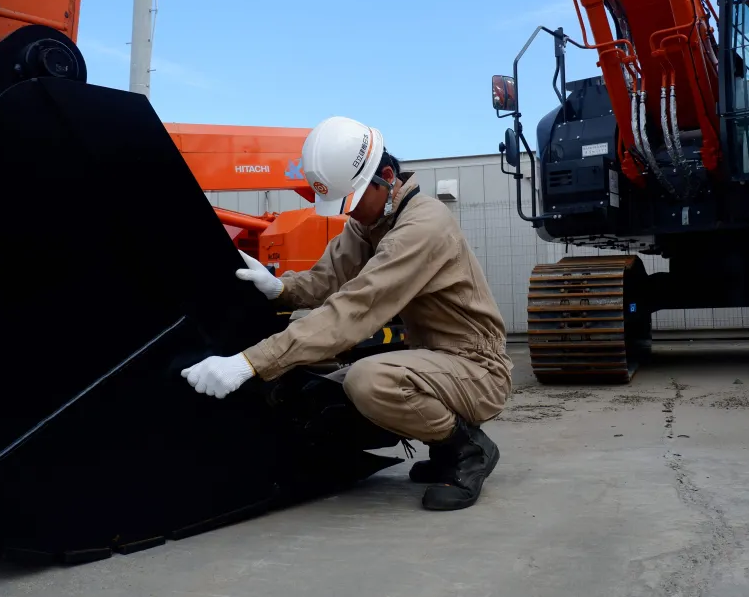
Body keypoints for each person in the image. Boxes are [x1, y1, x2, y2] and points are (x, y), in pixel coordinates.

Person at [181, 115, 513, 511]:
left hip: (477, 367)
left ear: (386, 176)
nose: (349, 213)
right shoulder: (369, 222)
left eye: (353, 202)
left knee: (369, 382)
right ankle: (445, 446)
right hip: (437, 360)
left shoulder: (423, 226)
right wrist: (280, 288)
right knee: (321, 394)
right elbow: (328, 278)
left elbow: (355, 309)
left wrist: (249, 363)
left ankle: (467, 448)